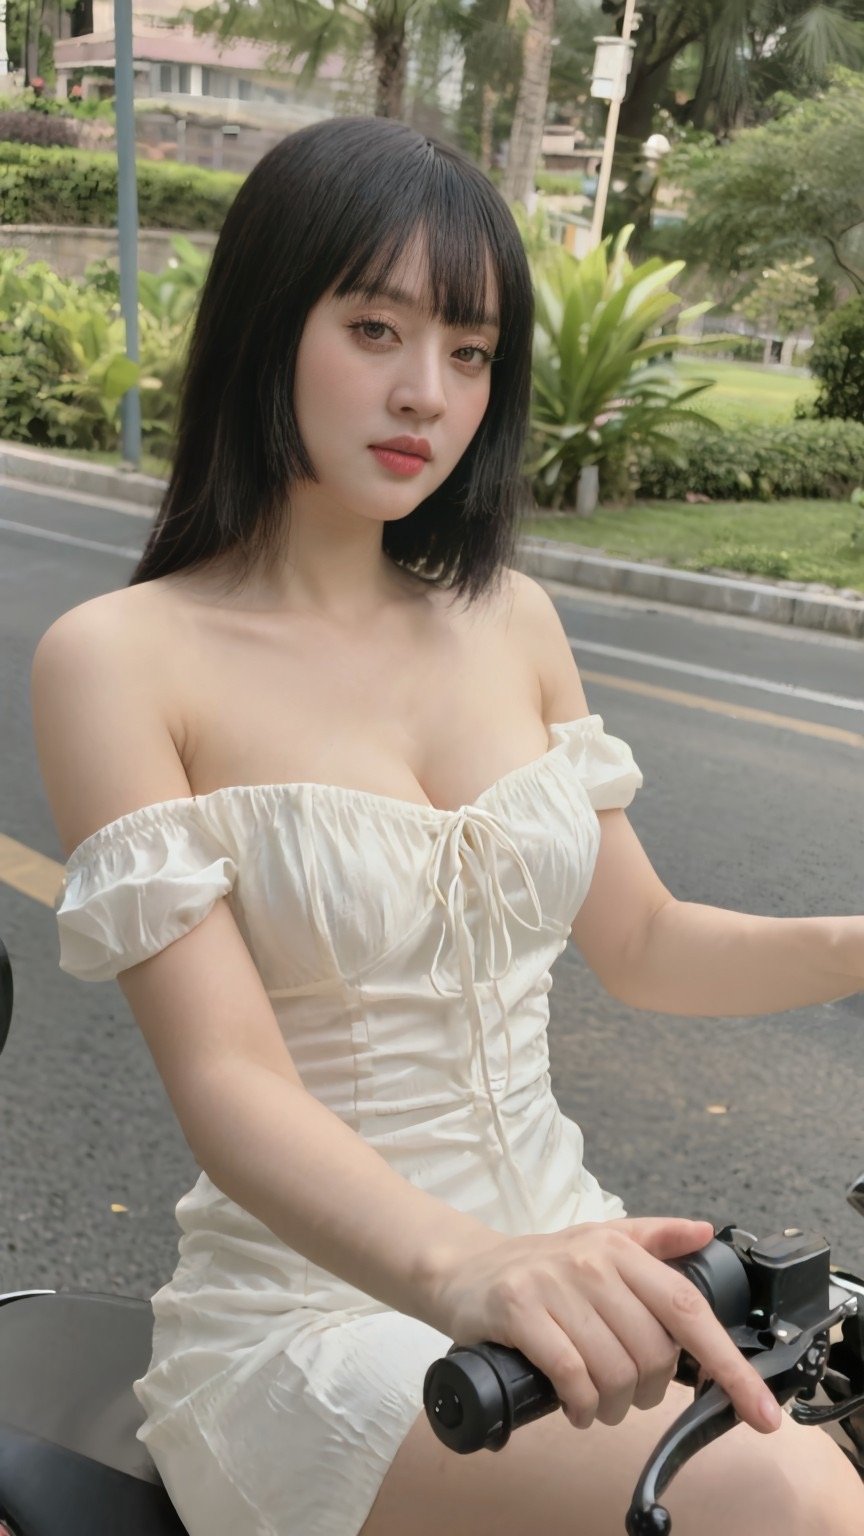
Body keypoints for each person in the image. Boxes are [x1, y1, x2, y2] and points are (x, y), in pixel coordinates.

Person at [31, 115, 863, 1536]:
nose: (426, 391)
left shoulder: (511, 618)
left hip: (569, 1257)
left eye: (470, 352)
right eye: (374, 329)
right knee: (783, 1499)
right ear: (265, 327)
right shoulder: (119, 659)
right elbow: (230, 1081)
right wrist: (466, 1269)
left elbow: (648, 942)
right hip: (318, 1321)